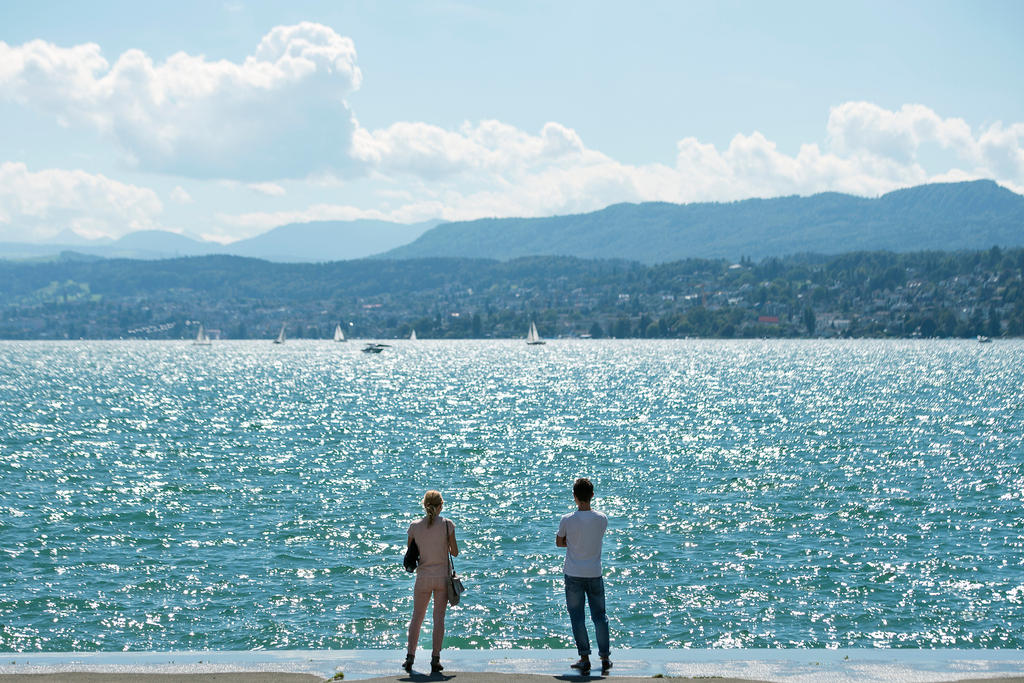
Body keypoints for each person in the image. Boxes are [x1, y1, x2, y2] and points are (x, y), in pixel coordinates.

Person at [556, 477, 611, 675]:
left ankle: (585, 658)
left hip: (573, 573)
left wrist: (572, 543)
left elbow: (559, 542)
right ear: (592, 496)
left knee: (577, 617)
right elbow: (597, 537)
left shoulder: (567, 520)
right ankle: (605, 657)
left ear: (574, 497)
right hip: (595, 573)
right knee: (600, 617)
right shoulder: (602, 518)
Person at [405, 490, 459, 674]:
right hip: (442, 578)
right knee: (439, 620)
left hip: (423, 578)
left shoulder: (414, 526)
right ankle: (435, 659)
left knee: (417, 618)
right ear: (441, 506)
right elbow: (455, 552)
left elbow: (411, 551)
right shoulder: (447, 525)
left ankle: (410, 657)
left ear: (424, 505)